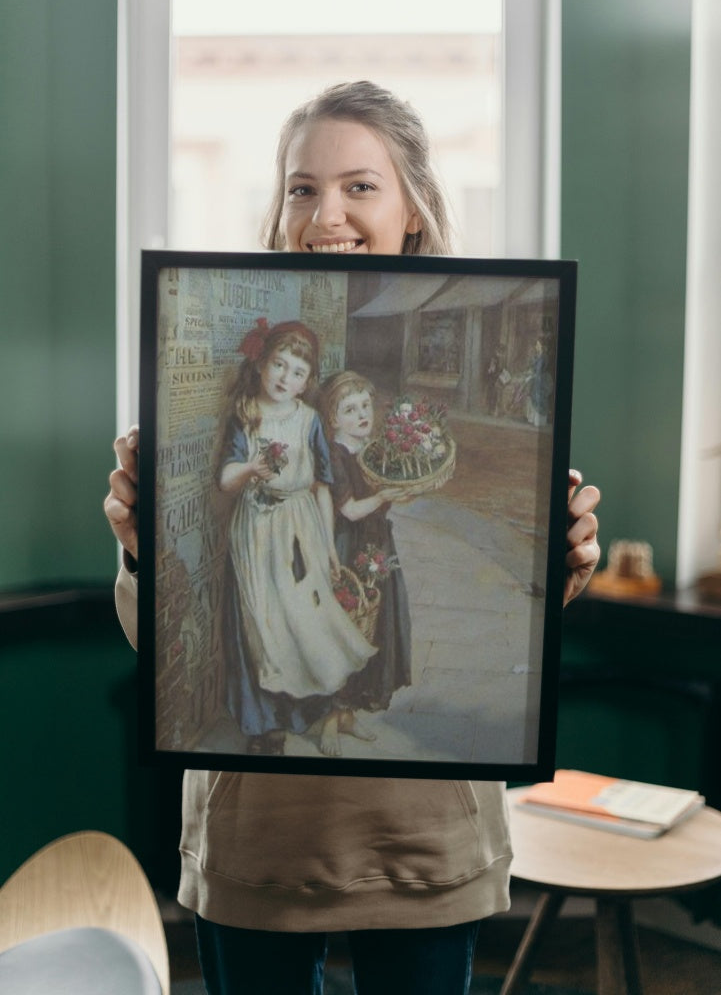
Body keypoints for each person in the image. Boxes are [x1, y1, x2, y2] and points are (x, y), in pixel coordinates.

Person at [105, 80, 601, 995]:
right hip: (257, 842)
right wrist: (139, 552)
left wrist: (560, 567)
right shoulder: (240, 393)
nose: (324, 212)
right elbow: (157, 645)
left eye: (359, 186)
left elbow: (515, 624)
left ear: (413, 207)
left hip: (422, 841)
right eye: (301, 187)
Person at [216, 322, 377, 757]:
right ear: (262, 365)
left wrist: (326, 546)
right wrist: (252, 469)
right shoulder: (247, 412)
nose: (285, 379)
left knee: (304, 619)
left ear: (308, 382)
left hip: (299, 529)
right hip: (256, 529)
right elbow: (227, 479)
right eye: (279, 366)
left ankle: (310, 711)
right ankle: (264, 724)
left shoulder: (308, 421)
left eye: (297, 372)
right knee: (262, 622)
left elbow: (323, 486)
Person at [317, 370, 413, 757]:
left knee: (372, 629)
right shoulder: (335, 455)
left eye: (366, 405)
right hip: (348, 548)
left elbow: (378, 501)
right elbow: (351, 510)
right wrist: (384, 495)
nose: (362, 414)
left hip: (377, 544)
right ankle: (327, 721)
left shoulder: (370, 452)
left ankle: (349, 716)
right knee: (345, 631)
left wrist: (398, 490)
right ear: (333, 419)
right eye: (350, 409)